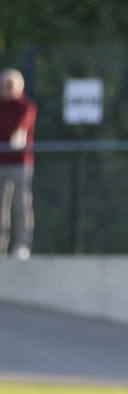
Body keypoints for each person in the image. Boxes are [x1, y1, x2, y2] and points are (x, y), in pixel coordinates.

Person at [0, 68, 37, 260]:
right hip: (1, 162)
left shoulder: (26, 107)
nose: (6, 89)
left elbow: (17, 131)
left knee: (21, 203)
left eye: (10, 85)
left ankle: (22, 245)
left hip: (20, 164)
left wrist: (7, 133)